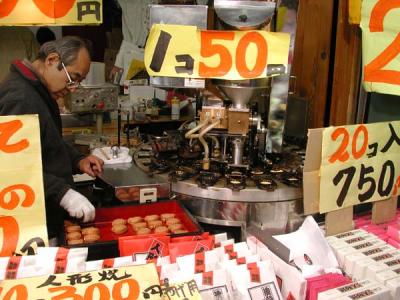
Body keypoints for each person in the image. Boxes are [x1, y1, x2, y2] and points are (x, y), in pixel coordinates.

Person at [0, 36, 104, 241]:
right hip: (29, 221)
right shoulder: (20, 98)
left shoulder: (38, 92)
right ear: (52, 60)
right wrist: (63, 194)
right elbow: (13, 167)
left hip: (46, 211)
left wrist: (77, 160)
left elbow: (47, 139)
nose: (73, 88)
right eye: (73, 77)